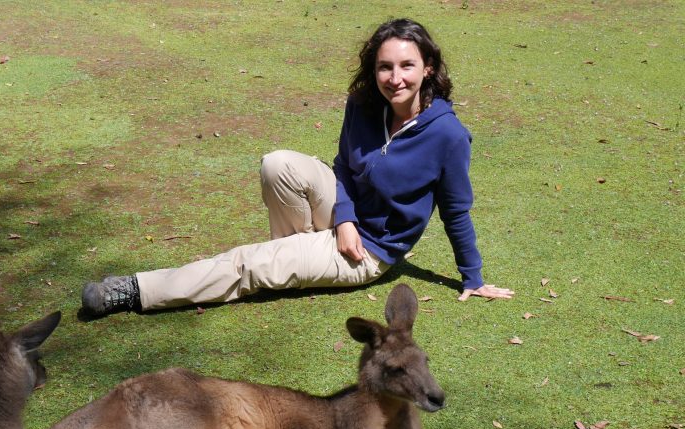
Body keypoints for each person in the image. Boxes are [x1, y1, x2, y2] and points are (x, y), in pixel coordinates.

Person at [81, 18, 513, 317]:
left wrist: (472, 277)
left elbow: (456, 211)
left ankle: (135, 290)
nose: (394, 78)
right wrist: (344, 219)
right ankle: (294, 259)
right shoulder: (364, 104)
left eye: (407, 66)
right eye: (385, 66)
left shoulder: (447, 135)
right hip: (345, 217)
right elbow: (343, 167)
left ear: (427, 68)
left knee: (250, 264)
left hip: (370, 249)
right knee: (278, 165)